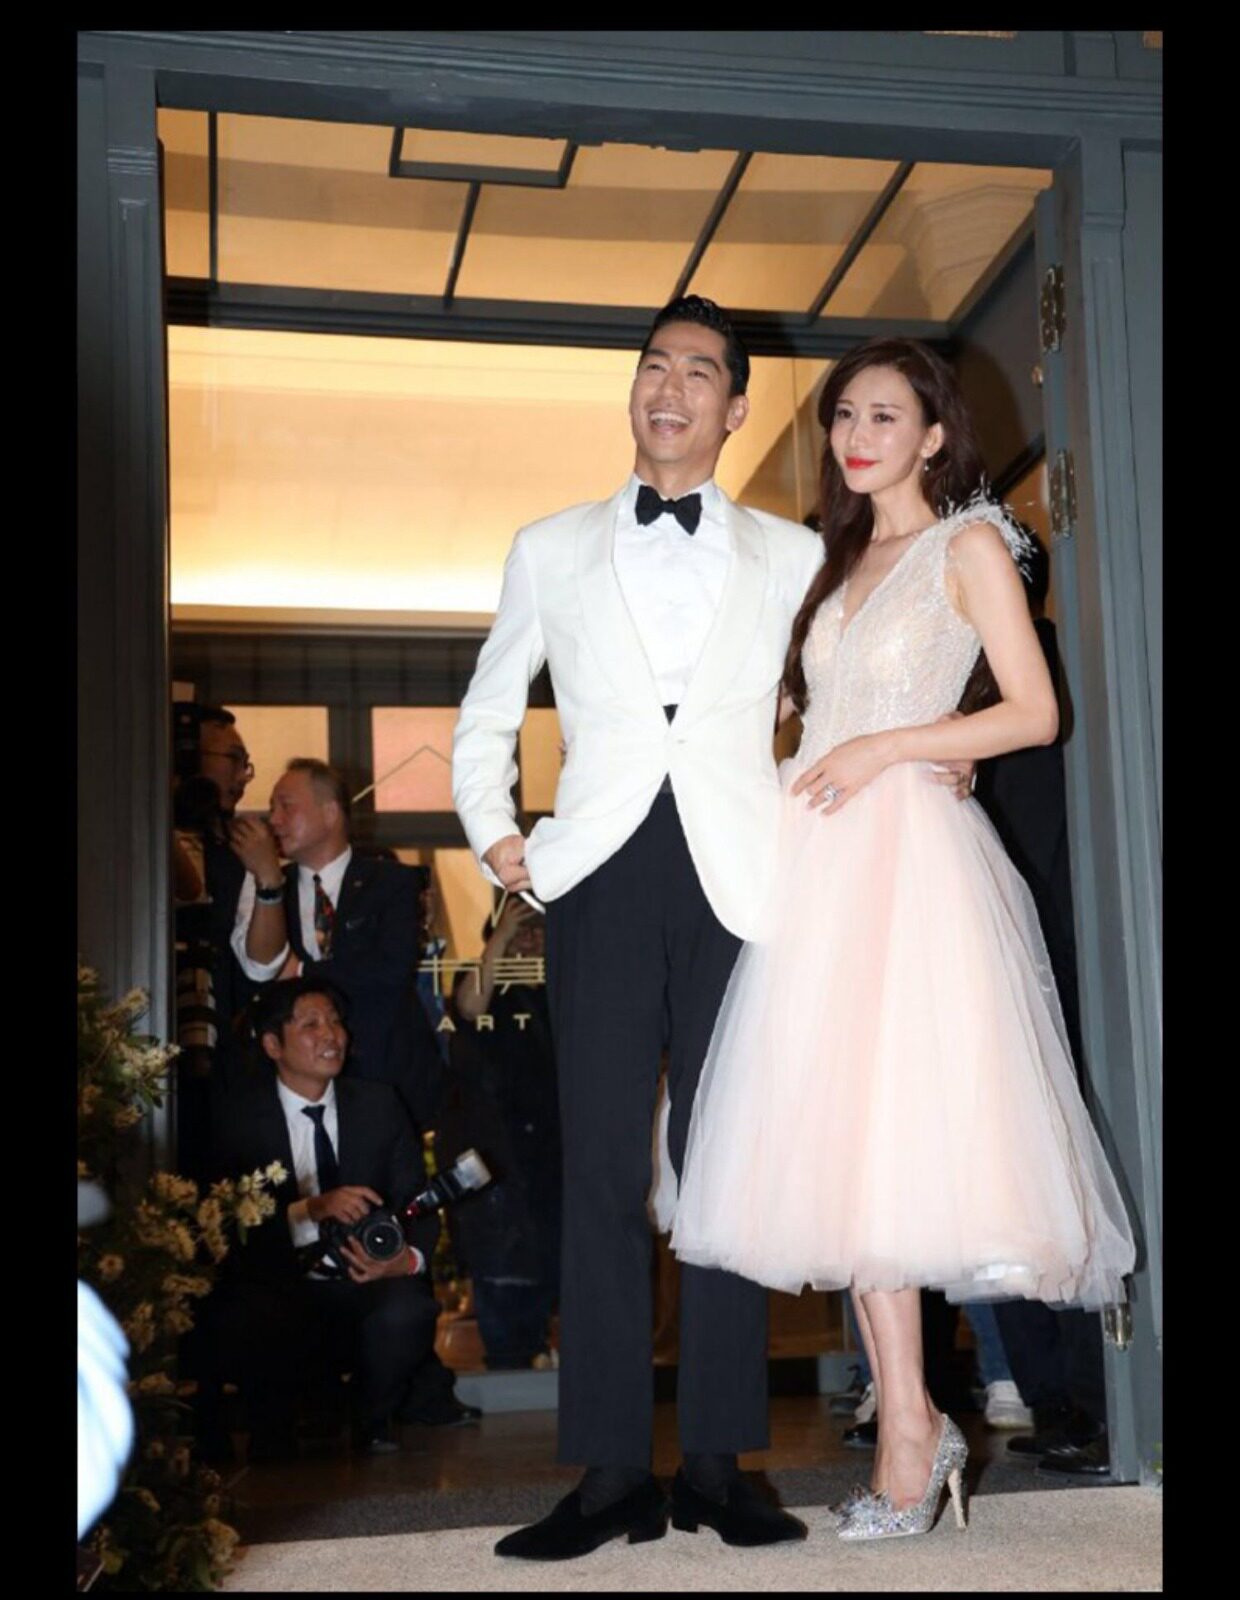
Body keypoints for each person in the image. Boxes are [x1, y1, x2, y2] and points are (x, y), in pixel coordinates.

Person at [454, 296, 908, 1559]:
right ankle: (609, 1474)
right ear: (634, 390)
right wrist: (496, 834)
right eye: (654, 366)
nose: (669, 387)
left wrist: (911, 765)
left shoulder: (791, 554)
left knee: (729, 1168)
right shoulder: (547, 546)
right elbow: (486, 709)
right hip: (597, 873)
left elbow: (846, 695)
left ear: (735, 407)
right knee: (600, 1167)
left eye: (698, 372)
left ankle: (718, 1463)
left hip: (744, 873)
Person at [670, 336, 1136, 1542]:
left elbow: (1034, 712)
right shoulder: (830, 564)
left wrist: (896, 745)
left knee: (899, 1136)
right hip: (818, 864)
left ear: (933, 435)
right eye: (843, 415)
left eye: (884, 415)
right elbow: (800, 709)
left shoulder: (967, 544)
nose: (856, 435)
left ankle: (916, 1437)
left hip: (911, 864)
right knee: (844, 1151)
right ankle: (912, 1427)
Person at [203, 977, 477, 1458]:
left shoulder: (378, 1105)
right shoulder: (237, 1116)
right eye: (311, 1024)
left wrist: (405, 1259)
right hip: (278, 1282)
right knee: (247, 1313)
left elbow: (417, 1199)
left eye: (335, 1021)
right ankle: (277, 1425)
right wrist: (312, 1209)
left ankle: (371, 1418)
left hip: (363, 1282)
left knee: (408, 1309)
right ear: (273, 1045)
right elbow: (224, 1223)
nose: (331, 1034)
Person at [229, 758, 444, 1131]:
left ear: (330, 813)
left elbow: (390, 971)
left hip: (388, 1078)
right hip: (293, 1089)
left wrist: (301, 970)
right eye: (272, 809)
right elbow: (258, 972)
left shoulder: (392, 882)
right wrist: (266, 880)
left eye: (286, 806)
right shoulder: (268, 886)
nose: (274, 820)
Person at [446, 894, 561, 1371]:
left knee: (552, 1256)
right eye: (521, 930)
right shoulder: (482, 981)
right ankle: (511, 1358)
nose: (529, 941)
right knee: (505, 1266)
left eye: (538, 931)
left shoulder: (559, 988)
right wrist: (501, 939)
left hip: (554, 1147)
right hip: (499, 1147)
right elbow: (469, 1006)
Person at [171, 702, 256, 1180]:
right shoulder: (150, 828)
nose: (243, 777)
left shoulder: (236, 842)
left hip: (229, 1045)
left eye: (246, 764)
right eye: (234, 761)